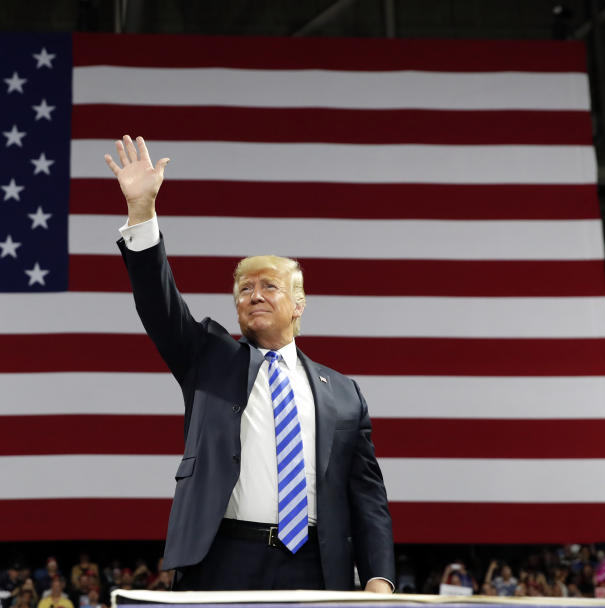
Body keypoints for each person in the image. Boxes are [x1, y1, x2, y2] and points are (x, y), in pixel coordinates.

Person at [106, 135, 395, 592]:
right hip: (223, 560)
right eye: (244, 289)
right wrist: (142, 211)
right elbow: (159, 305)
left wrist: (379, 576)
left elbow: (367, 494)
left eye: (269, 286)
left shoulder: (343, 392)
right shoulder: (209, 357)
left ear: (299, 304)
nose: (254, 295)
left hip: (317, 566)